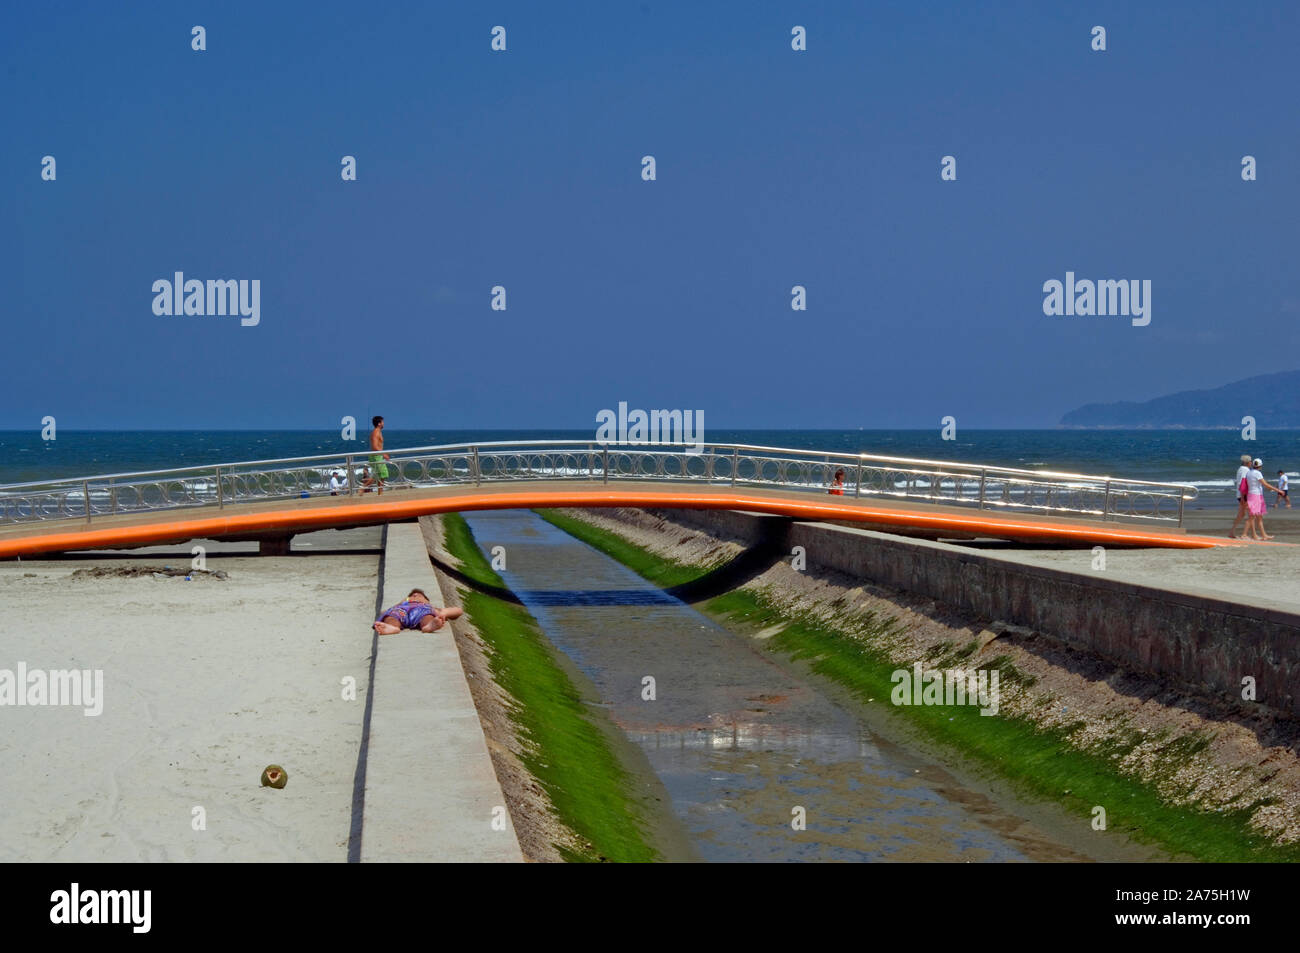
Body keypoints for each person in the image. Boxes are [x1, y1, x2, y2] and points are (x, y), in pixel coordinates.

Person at [373, 588, 463, 635]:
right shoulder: (400, 605)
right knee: (392, 616)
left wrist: (443, 614)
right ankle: (392, 627)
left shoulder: (428, 607)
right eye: (412, 595)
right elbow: (385, 612)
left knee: (427, 616)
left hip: (421, 610)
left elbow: (458, 611)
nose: (415, 595)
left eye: (420, 595)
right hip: (401, 610)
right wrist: (388, 613)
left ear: (427, 600)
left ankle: (428, 625)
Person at [1243, 458, 1280, 541]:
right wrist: (1278, 490)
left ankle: (1264, 535)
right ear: (1260, 466)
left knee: (1259, 517)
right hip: (1256, 495)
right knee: (1252, 517)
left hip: (1253, 495)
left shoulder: (1249, 473)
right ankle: (1244, 534)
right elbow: (1265, 484)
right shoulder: (1257, 473)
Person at [360, 415, 390, 494]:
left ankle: (380, 493)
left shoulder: (378, 431)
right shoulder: (376, 432)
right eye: (382, 422)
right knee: (380, 474)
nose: (384, 424)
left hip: (378, 456)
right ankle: (363, 488)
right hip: (376, 456)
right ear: (379, 423)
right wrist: (384, 454)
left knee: (382, 475)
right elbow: (374, 446)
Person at [1229, 454, 1253, 538]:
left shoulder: (1240, 469)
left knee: (1241, 514)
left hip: (1240, 494)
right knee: (1251, 515)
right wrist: (1243, 497)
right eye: (1250, 461)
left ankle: (1232, 532)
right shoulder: (1245, 470)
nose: (1251, 463)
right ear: (1247, 462)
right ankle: (1245, 534)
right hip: (1243, 495)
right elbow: (1243, 483)